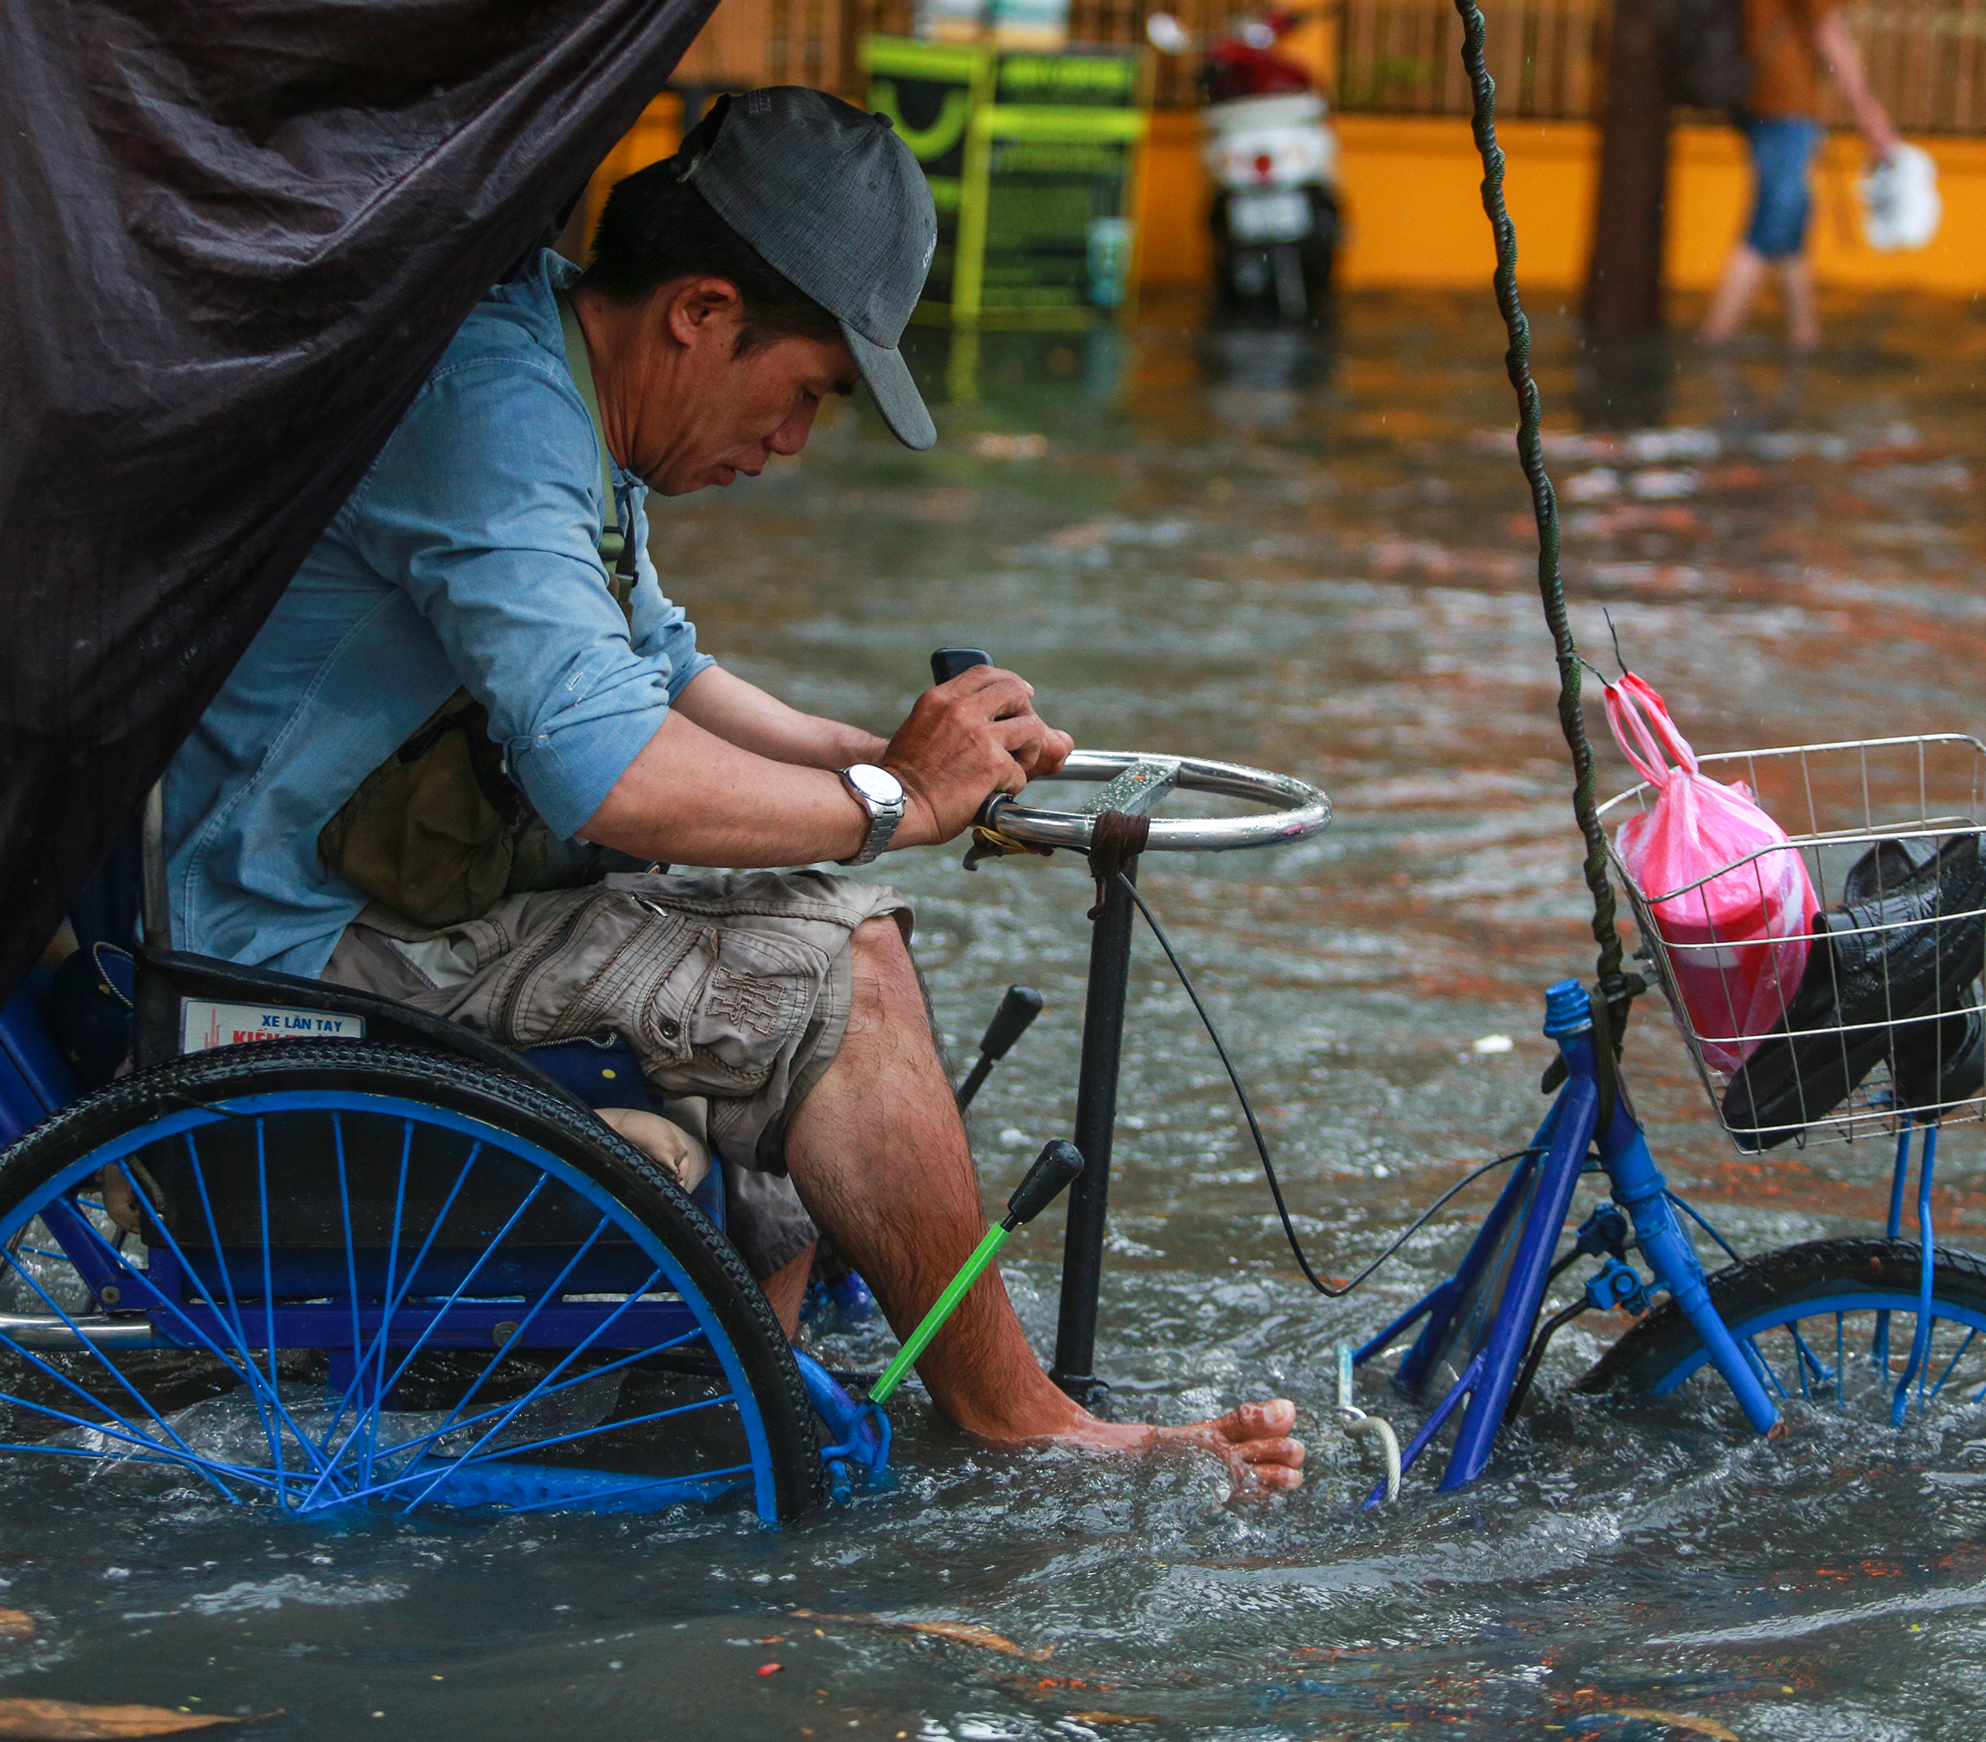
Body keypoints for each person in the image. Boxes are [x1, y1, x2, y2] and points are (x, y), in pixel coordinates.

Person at [163, 87, 1305, 1496]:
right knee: (844, 958)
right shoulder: (493, 407)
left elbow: (669, 674)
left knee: (800, 902)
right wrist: (900, 801)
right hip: (291, 949)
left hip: (393, 909)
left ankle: (731, 1395)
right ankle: (1021, 1418)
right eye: (808, 390)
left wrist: (899, 759)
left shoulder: (555, 372)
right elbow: (609, 771)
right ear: (703, 313)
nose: (792, 442)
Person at [1651, 0, 1903, 351]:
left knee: (1793, 209)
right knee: (1775, 211)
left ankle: (1803, 334)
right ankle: (1713, 342)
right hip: (1787, 96)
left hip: (1742, 87)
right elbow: (1829, 29)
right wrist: (1868, 110)